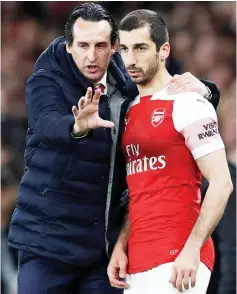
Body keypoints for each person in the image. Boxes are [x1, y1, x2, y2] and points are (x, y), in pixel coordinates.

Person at [8, 3, 221, 294]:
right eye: (82, 45)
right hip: (49, 243)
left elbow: (163, 87)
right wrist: (77, 127)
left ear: (114, 47)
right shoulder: (47, 79)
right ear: (68, 46)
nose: (92, 56)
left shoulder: (124, 79)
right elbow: (47, 122)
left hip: (103, 248)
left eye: (101, 46)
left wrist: (207, 91)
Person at [107, 9, 233, 294]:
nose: (130, 59)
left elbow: (222, 183)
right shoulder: (130, 110)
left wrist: (192, 249)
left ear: (164, 50)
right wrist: (121, 245)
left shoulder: (188, 101)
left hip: (178, 258)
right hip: (137, 260)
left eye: (140, 48)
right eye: (124, 49)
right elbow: (140, 190)